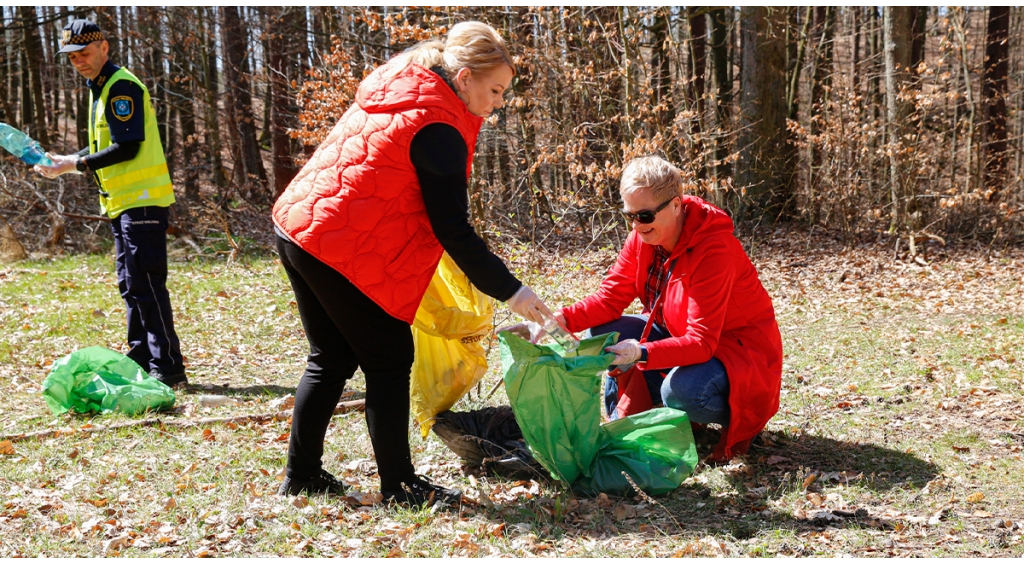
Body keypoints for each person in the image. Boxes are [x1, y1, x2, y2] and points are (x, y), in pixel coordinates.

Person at [271, 21, 553, 506]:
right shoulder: (438, 123)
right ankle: (399, 485)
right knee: (388, 360)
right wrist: (513, 291)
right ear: (464, 78)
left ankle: (303, 475)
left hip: (299, 225)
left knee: (332, 357)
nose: (499, 102)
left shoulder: (407, 83)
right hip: (337, 243)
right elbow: (453, 229)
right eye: (496, 90)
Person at [556, 156, 782, 463]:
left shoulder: (714, 250)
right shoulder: (643, 238)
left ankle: (722, 414)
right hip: (682, 336)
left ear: (675, 205)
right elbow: (610, 299)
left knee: (680, 392)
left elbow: (703, 341)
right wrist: (558, 320)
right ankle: (621, 424)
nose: (637, 225)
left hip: (739, 357)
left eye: (645, 215)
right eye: (630, 216)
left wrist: (642, 352)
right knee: (608, 333)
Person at [35, 19, 187, 388]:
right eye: (71, 58)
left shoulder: (120, 87)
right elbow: (108, 143)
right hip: (122, 204)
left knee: (147, 286)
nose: (78, 62)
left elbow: (128, 146)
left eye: (84, 54)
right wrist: (68, 161)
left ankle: (168, 371)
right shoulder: (99, 88)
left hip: (143, 203)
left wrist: (76, 164)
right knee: (131, 286)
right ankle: (140, 362)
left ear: (104, 47)